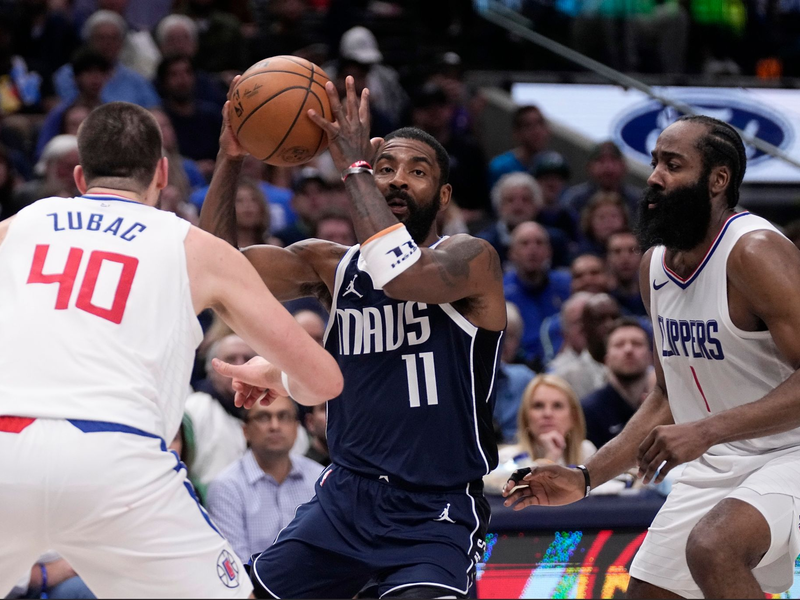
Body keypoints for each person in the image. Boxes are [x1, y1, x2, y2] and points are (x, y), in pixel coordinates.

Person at [0, 101, 343, 598]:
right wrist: (277, 375)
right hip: (117, 460)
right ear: (162, 174)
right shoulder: (194, 245)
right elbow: (325, 383)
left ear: (79, 177)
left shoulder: (15, 228)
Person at [200, 76, 507, 599]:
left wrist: (355, 167)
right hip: (345, 498)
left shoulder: (472, 260)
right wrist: (231, 159)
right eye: (385, 168)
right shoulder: (331, 267)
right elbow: (215, 268)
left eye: (417, 172)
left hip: (434, 510)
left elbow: (402, 275)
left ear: (446, 194)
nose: (397, 181)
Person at [503, 115, 800, 599]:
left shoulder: (755, 251)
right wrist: (584, 478)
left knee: (713, 547)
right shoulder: (655, 267)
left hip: (791, 451)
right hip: (722, 459)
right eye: (656, 161)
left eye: (674, 164)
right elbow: (666, 396)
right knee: (648, 594)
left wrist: (706, 429)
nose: (655, 176)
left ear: (718, 180)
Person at [207, 396, 323, 561]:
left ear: (297, 427)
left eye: (283, 416)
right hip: (254, 585)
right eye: (263, 417)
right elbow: (237, 565)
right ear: (245, 430)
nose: (275, 426)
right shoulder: (227, 487)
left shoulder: (318, 478)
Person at [485, 374, 596, 493]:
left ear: (573, 417)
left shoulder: (586, 451)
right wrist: (550, 458)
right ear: (526, 417)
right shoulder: (506, 458)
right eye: (538, 406)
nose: (547, 413)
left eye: (557, 406)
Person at [581, 318, 653, 448]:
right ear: (606, 359)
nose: (628, 350)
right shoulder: (589, 410)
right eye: (619, 344)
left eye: (637, 343)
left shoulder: (665, 405)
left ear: (650, 356)